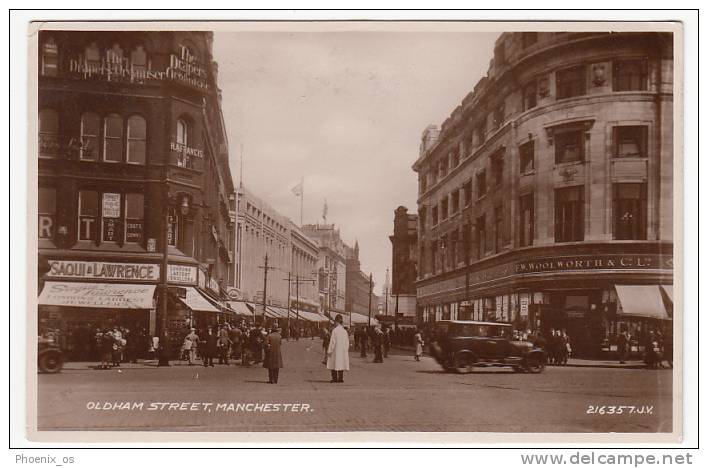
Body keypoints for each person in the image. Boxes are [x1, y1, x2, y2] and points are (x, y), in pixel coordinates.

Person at [326, 314, 350, 383]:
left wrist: (329, 350)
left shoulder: (335, 331)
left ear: (337, 322)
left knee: (333, 364)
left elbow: (332, 342)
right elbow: (347, 342)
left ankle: (334, 378)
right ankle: (340, 378)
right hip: (342, 351)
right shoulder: (344, 331)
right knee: (341, 364)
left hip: (335, 351)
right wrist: (345, 350)